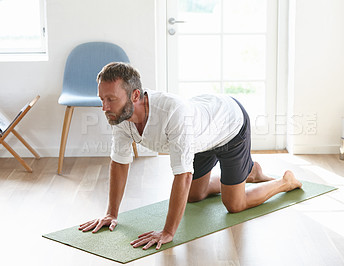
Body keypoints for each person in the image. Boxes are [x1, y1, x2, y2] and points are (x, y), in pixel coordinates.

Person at [78, 62, 302, 250]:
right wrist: (111, 213)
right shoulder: (119, 115)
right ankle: (250, 172)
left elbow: (182, 175)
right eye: (101, 99)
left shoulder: (173, 113)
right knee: (194, 196)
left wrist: (167, 232)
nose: (104, 107)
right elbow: (119, 163)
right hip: (200, 137)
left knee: (235, 204)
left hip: (229, 126)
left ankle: (285, 181)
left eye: (110, 99)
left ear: (134, 95)